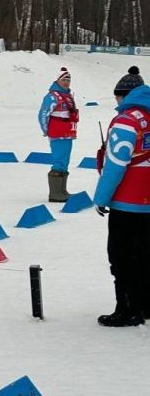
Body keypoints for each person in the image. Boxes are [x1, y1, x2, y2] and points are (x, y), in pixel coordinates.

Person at [93, 66, 150, 327]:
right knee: (145, 254)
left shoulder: (127, 120)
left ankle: (128, 309)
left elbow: (116, 163)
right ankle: (145, 304)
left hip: (128, 201)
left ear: (123, 95)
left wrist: (102, 198)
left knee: (122, 256)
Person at [38, 67, 79, 202]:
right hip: (58, 133)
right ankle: (55, 194)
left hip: (68, 133)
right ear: (58, 80)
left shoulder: (68, 95)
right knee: (59, 161)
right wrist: (46, 130)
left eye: (69, 80)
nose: (67, 82)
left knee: (65, 162)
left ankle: (62, 191)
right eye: (64, 80)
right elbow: (43, 114)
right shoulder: (52, 96)